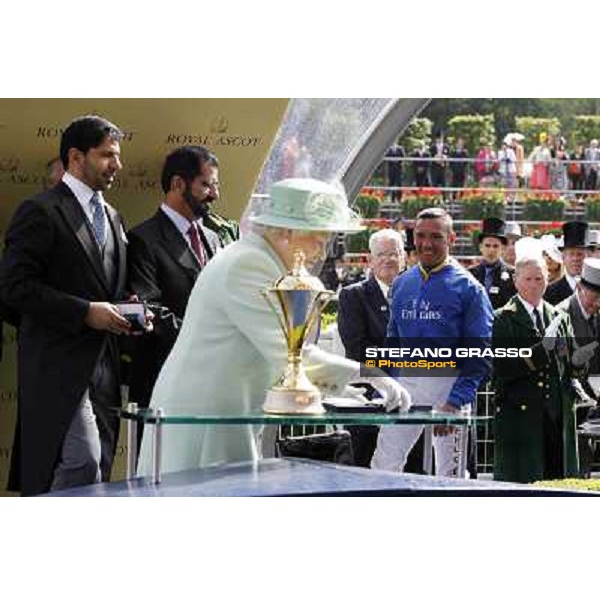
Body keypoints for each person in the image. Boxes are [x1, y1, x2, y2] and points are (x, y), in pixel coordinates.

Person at [137, 178, 412, 476]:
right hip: (206, 419)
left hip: (221, 413)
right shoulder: (249, 265)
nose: (321, 252)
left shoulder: (260, 260)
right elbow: (289, 354)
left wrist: (346, 387)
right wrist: (367, 373)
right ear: (286, 232)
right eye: (319, 240)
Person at [0, 115, 138, 496]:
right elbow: (13, 288)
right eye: (107, 155)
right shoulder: (40, 211)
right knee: (82, 460)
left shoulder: (113, 217)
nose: (117, 165)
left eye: (118, 155)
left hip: (104, 371)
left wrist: (128, 309)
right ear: (76, 157)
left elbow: (107, 285)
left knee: (98, 468)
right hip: (58, 368)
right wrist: (83, 312)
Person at [371, 208, 494, 476]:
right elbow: (392, 342)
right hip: (406, 383)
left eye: (436, 237)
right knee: (384, 464)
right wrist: (383, 385)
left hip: (450, 387)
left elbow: (479, 355)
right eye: (421, 235)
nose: (427, 243)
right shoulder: (402, 283)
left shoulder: (471, 289)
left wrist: (456, 400)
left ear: (451, 239)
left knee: (450, 474)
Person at [127, 146, 221, 425]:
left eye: (216, 185)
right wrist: (204, 340)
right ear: (178, 184)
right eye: (206, 185)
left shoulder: (213, 239)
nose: (215, 195)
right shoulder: (143, 239)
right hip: (163, 382)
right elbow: (148, 307)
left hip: (209, 385)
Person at [492, 243, 592, 483]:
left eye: (539, 279)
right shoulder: (503, 318)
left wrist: (579, 362)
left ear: (548, 279)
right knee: (522, 483)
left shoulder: (559, 316)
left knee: (557, 482)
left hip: (557, 413)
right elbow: (502, 367)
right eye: (528, 279)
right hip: (521, 417)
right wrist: (540, 351)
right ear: (516, 280)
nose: (534, 285)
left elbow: (568, 369)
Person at [338, 229, 405, 466]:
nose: (388, 260)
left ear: (404, 257)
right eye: (381, 254)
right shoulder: (352, 296)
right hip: (367, 400)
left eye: (394, 254)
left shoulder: (420, 296)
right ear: (370, 260)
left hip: (412, 399)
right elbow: (358, 351)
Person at [556, 258, 600, 477]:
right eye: (595, 297)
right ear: (580, 288)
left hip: (595, 401)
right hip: (569, 401)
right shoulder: (561, 314)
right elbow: (558, 363)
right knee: (571, 464)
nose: (598, 304)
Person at [469, 217, 517, 310]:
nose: (491, 250)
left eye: (495, 246)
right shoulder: (470, 275)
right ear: (480, 247)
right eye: (487, 245)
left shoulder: (513, 275)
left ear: (502, 248)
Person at [545, 221, 590, 305]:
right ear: (563, 257)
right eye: (571, 254)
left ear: (587, 257)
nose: (575, 259)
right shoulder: (549, 292)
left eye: (580, 254)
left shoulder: (596, 289)